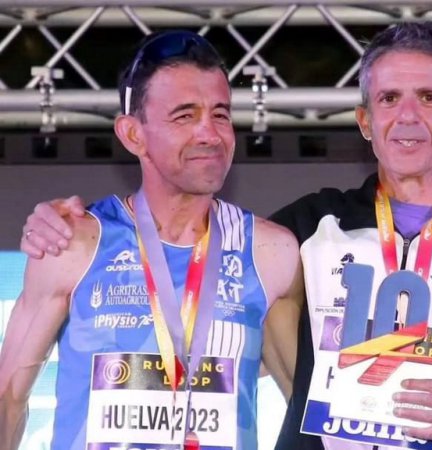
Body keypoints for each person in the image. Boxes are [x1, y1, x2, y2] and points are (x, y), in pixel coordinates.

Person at [14, 22, 432, 450]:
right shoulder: (307, 230)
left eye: (429, 97)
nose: (408, 116)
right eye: (389, 98)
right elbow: (191, 243)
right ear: (364, 120)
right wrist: (52, 223)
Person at [0, 30, 304, 450]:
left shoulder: (270, 253)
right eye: (184, 116)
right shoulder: (74, 244)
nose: (210, 133)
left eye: (220, 114)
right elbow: (8, 399)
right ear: (133, 135)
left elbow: (309, 414)